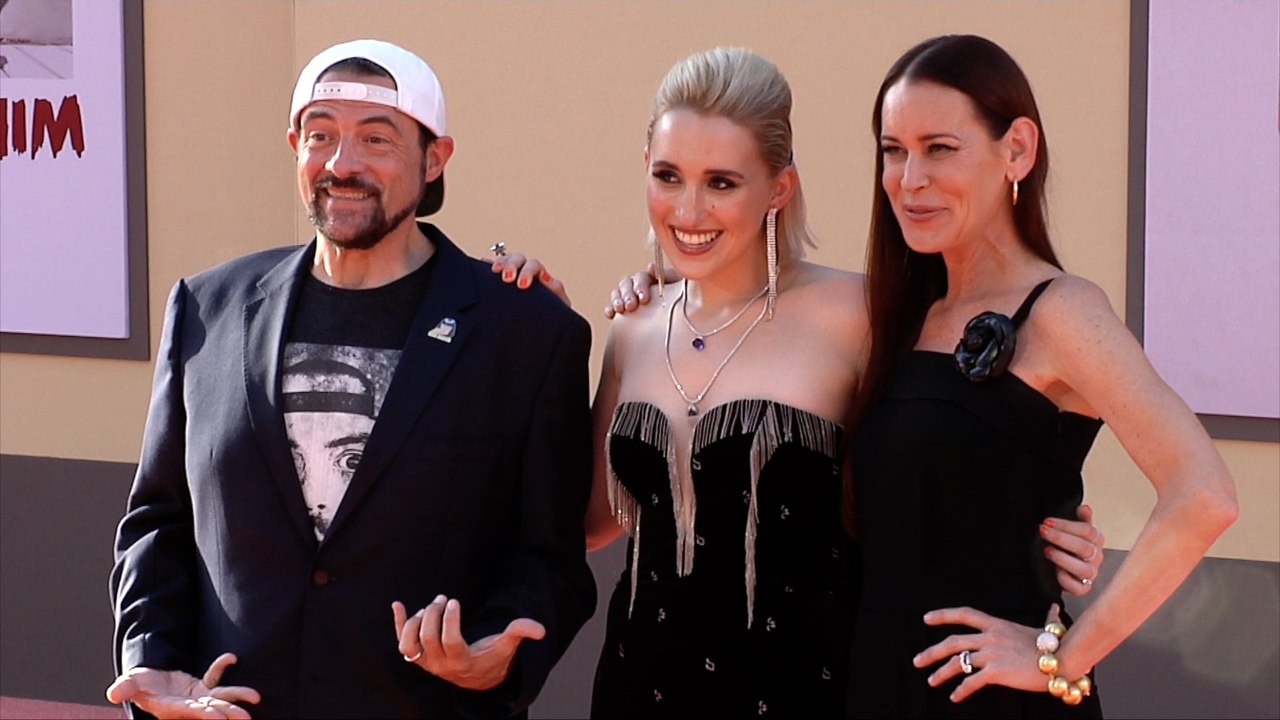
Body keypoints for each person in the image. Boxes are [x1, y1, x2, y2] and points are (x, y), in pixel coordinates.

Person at [496, 46, 1104, 718]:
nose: (689, 210)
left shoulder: (864, 314)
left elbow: (955, 447)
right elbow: (586, 523)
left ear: (779, 188)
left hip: (804, 690)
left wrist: (1046, 528)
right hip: (635, 687)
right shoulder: (634, 326)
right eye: (668, 176)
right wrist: (532, 334)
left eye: (722, 183)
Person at [106, 39, 595, 719]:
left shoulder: (525, 332)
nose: (343, 163)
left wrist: (497, 656)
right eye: (321, 135)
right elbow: (158, 522)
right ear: (295, 147)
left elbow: (550, 557)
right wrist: (150, 657)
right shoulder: (206, 309)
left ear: (434, 159)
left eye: (376, 139)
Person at [843, 34, 1237, 718]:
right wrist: (656, 290)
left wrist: (1064, 657)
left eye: (940, 148)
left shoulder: (1061, 313)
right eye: (894, 150)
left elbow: (1203, 495)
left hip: (990, 697)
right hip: (876, 683)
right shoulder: (899, 314)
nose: (910, 179)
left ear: (1017, 150)